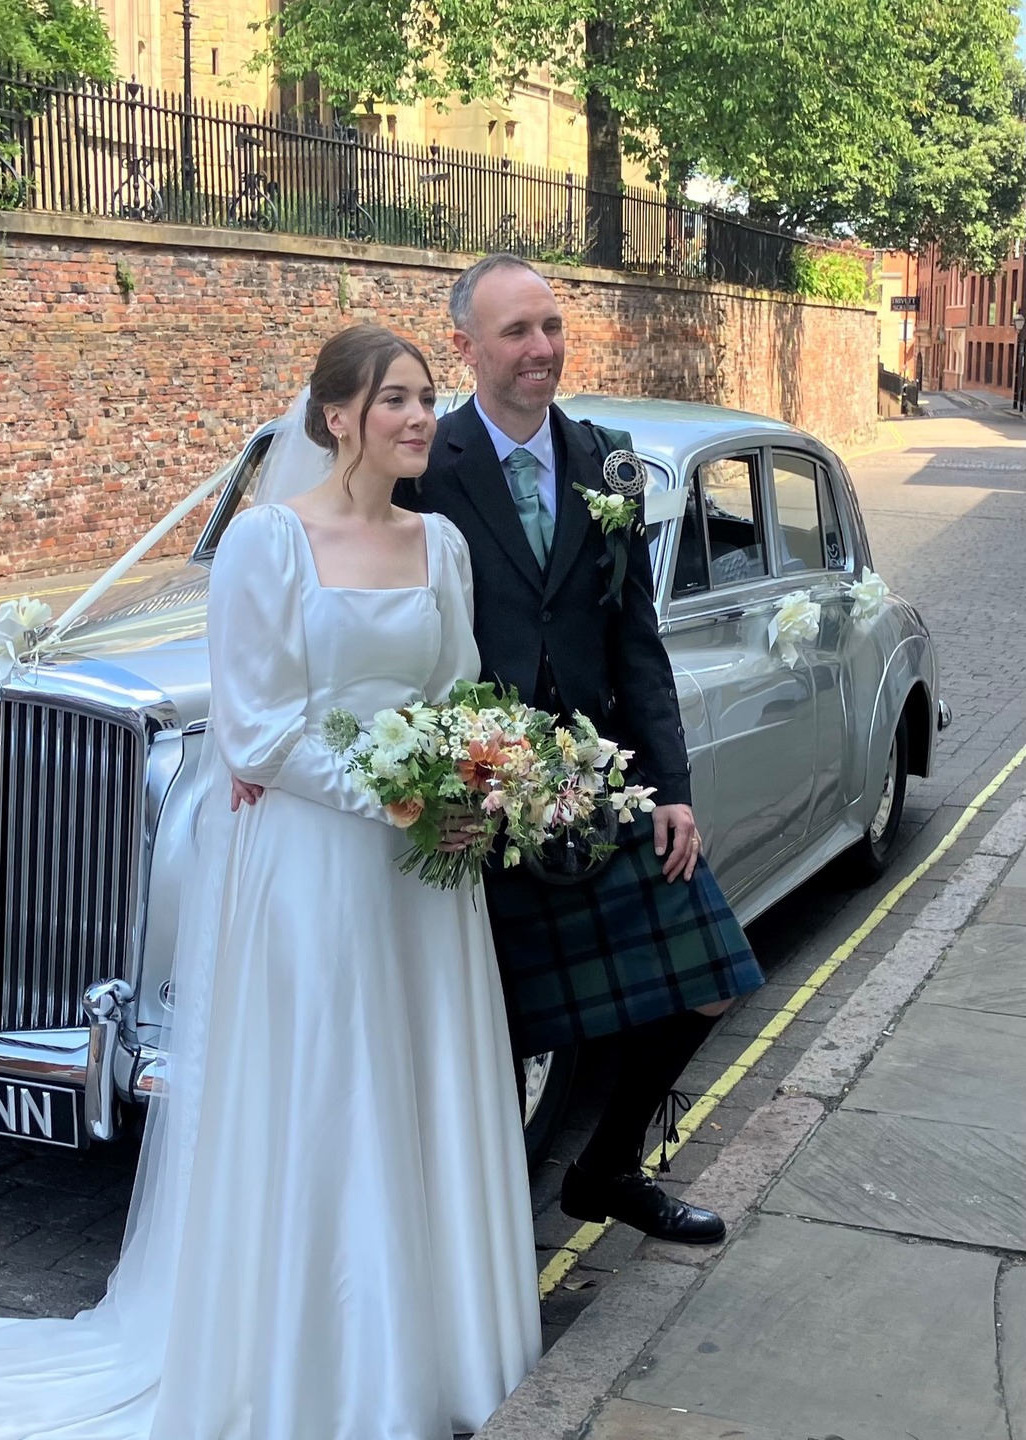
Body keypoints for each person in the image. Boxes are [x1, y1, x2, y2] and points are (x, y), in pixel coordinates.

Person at [0, 324, 541, 1440]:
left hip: (420, 877)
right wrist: (401, 796)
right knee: (318, 1089)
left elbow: (459, 689)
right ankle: (292, 1354)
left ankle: (425, 1347)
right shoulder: (268, 545)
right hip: (314, 859)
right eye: (398, 401)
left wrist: (478, 780)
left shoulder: (442, 546)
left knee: (410, 1084)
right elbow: (259, 731)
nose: (422, 419)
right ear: (337, 418)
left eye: (427, 399)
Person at [396, 254, 765, 1245]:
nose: (541, 349)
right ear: (466, 347)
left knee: (713, 980)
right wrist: (437, 786)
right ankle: (468, 1259)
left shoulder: (607, 460)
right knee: (496, 1038)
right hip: (481, 791)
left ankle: (606, 1170)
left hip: (601, 782)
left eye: (551, 327)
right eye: (516, 332)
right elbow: (394, 640)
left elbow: (635, 639)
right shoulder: (427, 465)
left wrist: (673, 788)